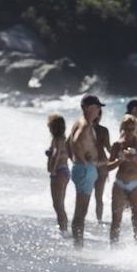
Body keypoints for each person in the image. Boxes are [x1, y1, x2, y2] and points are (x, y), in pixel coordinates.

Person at [105, 113, 137, 243]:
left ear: (136, 128)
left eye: (131, 129)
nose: (129, 132)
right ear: (121, 129)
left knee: (136, 219)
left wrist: (135, 159)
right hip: (120, 184)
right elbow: (107, 167)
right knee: (116, 219)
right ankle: (113, 248)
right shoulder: (117, 145)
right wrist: (121, 160)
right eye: (126, 129)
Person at [67, 96, 103, 247]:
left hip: (82, 168)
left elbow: (67, 143)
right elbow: (75, 141)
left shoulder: (79, 122)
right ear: (88, 107)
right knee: (81, 211)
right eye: (97, 107)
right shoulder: (85, 124)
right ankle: (78, 246)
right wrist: (83, 161)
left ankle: (78, 244)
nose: (99, 111)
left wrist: (76, 159)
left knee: (81, 211)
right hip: (85, 169)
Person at [46, 114, 70, 235]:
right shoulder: (64, 139)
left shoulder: (57, 139)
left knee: (58, 204)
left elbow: (57, 154)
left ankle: (63, 229)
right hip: (65, 170)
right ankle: (63, 228)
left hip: (59, 171)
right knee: (60, 203)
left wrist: (53, 169)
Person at [92, 104, 112, 224]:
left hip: (89, 163)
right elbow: (109, 149)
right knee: (99, 196)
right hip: (103, 163)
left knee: (86, 194)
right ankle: (99, 221)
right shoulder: (104, 130)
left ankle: (85, 218)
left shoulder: (86, 129)